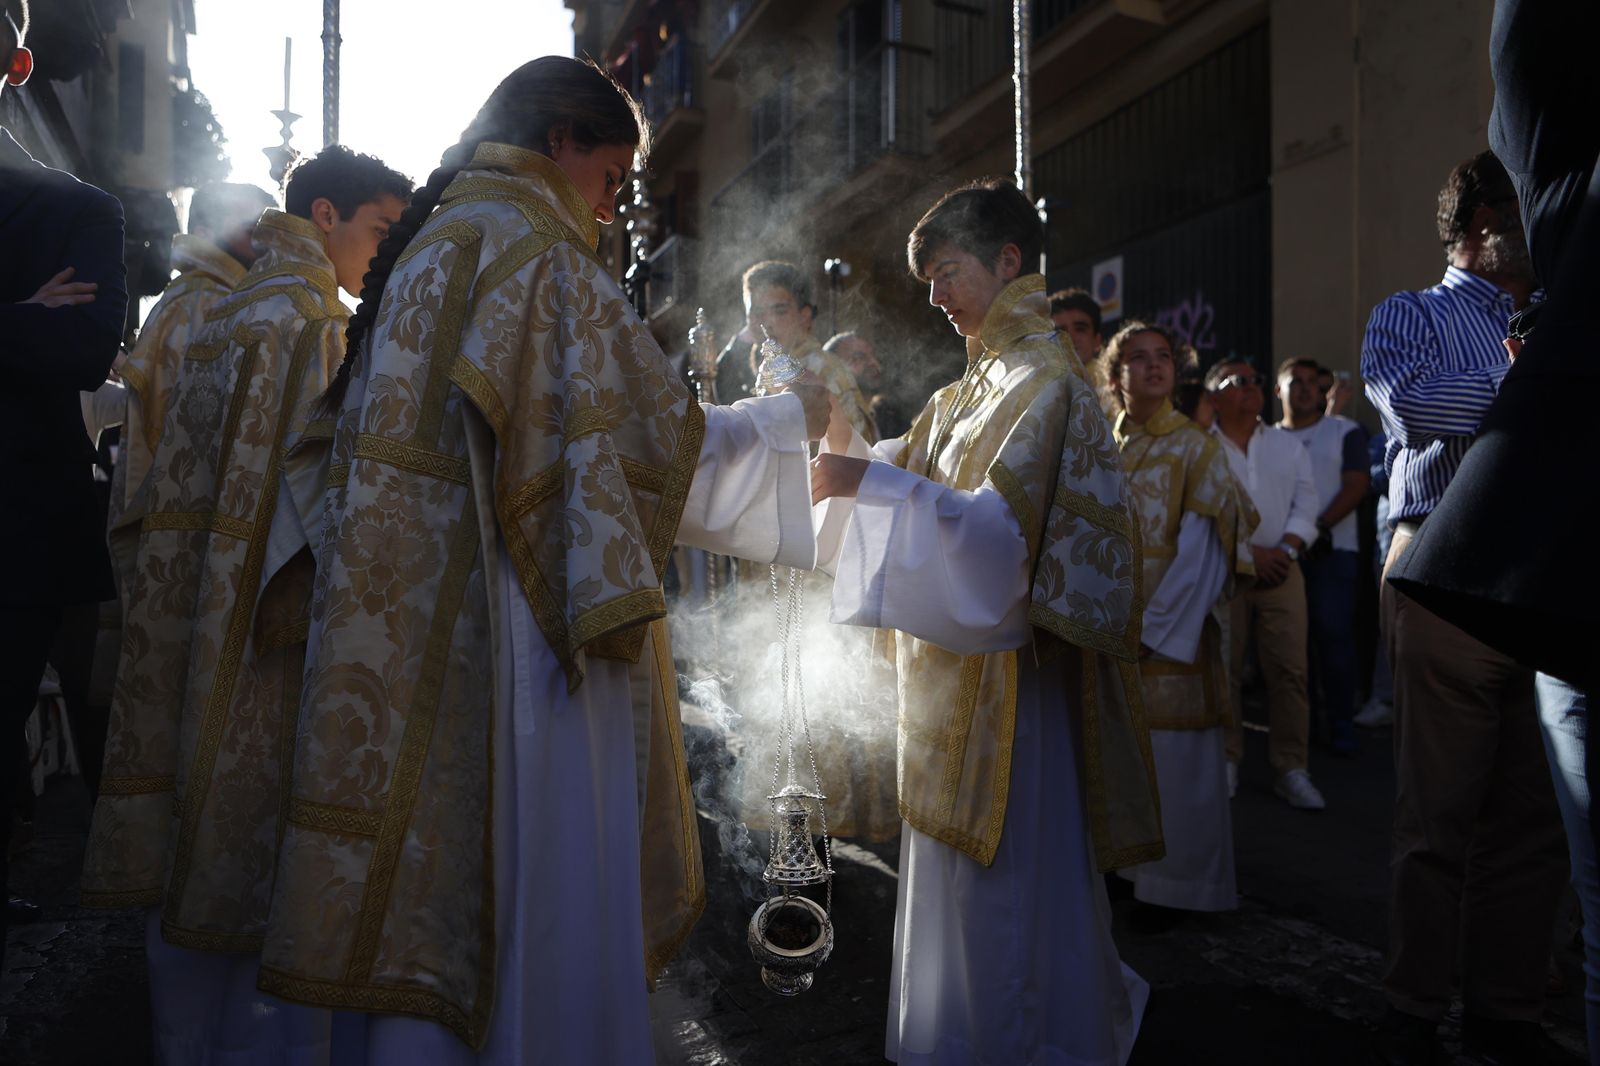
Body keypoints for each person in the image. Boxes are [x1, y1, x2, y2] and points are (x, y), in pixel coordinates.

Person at [253, 58, 830, 1063]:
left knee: (432, 899)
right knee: (532, 900)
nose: (609, 209)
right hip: (522, 638)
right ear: (561, 143)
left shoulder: (432, 247)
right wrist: (785, 422)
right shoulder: (537, 256)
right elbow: (650, 455)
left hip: (409, 641)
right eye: (609, 178)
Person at [812, 177, 1161, 1066]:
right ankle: (951, 1034)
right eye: (927, 279)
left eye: (946, 272)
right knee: (951, 879)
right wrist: (841, 434)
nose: (934, 297)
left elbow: (999, 538)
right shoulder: (978, 382)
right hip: (949, 680)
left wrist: (870, 483)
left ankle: (1022, 1039)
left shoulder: (1046, 382)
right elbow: (907, 460)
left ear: (1009, 262)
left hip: (1014, 688)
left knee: (1007, 889)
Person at [81, 145, 412, 1063]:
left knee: (197, 841)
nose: (384, 254)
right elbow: (324, 508)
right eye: (380, 232)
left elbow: (141, 475)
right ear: (323, 216)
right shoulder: (311, 328)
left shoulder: (220, 312)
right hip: (271, 627)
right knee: (262, 863)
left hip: (190, 609)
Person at [1363, 148, 1569, 1066]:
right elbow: (1416, 405)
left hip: (1549, 582)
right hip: (1444, 574)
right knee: (1437, 814)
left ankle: (1507, 1010)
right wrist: (1549, 394)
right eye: (1532, 210)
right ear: (1483, 226)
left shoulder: (1562, 316)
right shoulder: (1410, 315)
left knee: (1532, 820)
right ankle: (1411, 1007)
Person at [0, 0, 129, 966]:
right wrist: (15, 319)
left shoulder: (73, 208)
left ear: (18, 61)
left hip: (14, 530)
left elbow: (82, 349)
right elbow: (42, 341)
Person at [1107, 321, 1257, 917]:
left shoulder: (1197, 446)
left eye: (1163, 357)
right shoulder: (1104, 449)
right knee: (1120, 760)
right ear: (1115, 377)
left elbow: (1203, 550)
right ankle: (1126, 871)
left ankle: (1178, 889)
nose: (1153, 367)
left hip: (1170, 638)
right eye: (1137, 359)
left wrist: (1151, 632)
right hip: (1108, 639)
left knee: (1176, 766)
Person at [106, 182, 275, 612]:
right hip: (193, 506)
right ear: (207, 227)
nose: (263, 239)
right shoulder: (208, 301)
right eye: (250, 225)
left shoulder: (212, 295)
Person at [1207, 358, 1325, 809]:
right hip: (1224, 570)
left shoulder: (1285, 445)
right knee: (1225, 669)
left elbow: (1306, 501)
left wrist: (1287, 550)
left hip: (1282, 570)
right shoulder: (1203, 445)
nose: (1251, 387)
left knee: (1290, 671)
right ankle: (1227, 758)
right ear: (1215, 396)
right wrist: (1246, 554)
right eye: (1237, 382)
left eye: (1255, 379)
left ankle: (1291, 768)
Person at [1276, 357, 1370, 754]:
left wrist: (1315, 530)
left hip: (1333, 555)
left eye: (1313, 382)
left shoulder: (1344, 431)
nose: (1305, 388)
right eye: (1295, 381)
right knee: (1292, 650)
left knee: (1333, 640)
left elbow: (1356, 486)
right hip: (1282, 557)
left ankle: (1341, 724)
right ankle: (1305, 727)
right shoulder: (1266, 437)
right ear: (1277, 390)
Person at [1049, 285, 1117, 418]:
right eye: (1060, 332)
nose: (1070, 338)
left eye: (1080, 329)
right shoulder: (1032, 390)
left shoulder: (1116, 388)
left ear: (1097, 340)